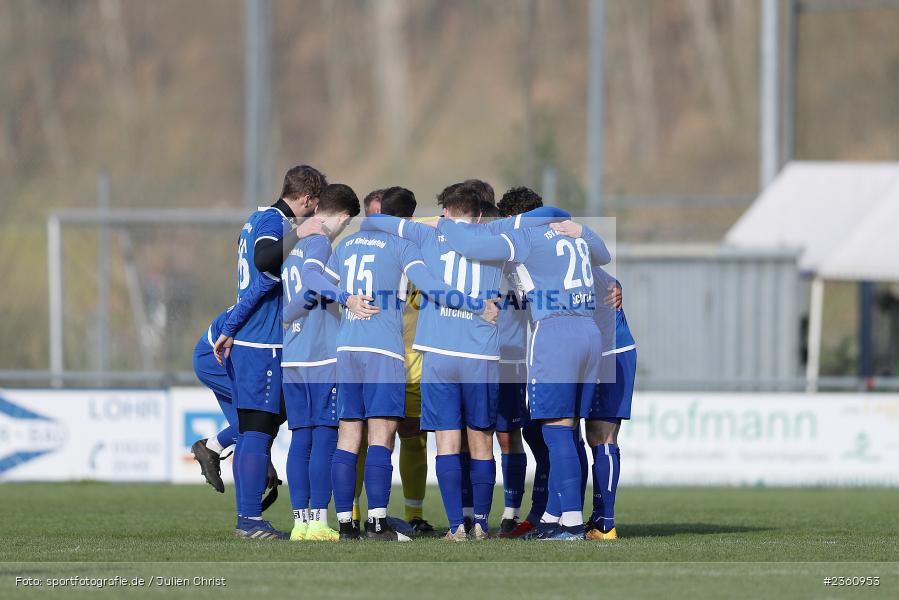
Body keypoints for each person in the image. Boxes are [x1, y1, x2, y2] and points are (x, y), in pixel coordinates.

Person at [361, 184, 570, 539]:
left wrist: (428, 224)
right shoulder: (496, 232)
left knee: (446, 442)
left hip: (439, 354)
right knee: (481, 440)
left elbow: (374, 222)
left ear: (446, 211)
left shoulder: (428, 233)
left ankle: (457, 525)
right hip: (481, 356)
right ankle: (481, 525)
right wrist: (571, 225)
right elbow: (551, 214)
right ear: (478, 212)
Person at [322, 186, 498, 542]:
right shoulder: (407, 245)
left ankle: (345, 525)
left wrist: (344, 299)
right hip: (388, 354)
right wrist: (479, 306)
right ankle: (380, 525)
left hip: (347, 349)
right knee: (384, 439)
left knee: (348, 438)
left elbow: (315, 285)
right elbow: (433, 286)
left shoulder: (345, 244)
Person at [435, 214, 611, 540]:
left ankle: (570, 525)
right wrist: (582, 228)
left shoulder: (527, 239)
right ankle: (559, 517)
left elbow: (471, 245)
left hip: (556, 333)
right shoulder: (572, 236)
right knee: (570, 431)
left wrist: (444, 224)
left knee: (556, 434)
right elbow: (604, 255)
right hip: (589, 332)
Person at [214, 164, 327, 540]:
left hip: (254, 338)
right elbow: (265, 263)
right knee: (258, 431)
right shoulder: (275, 222)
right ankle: (248, 520)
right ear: (307, 199)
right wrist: (301, 232)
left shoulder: (258, 217)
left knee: (257, 427)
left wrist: (231, 327)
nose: (314, 215)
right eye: (314, 207)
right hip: (263, 342)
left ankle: (248, 516)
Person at [281, 183, 364, 542]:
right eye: (347, 224)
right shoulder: (318, 242)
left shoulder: (291, 240)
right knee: (324, 437)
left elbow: (288, 301)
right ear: (343, 217)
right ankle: (317, 521)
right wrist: (345, 297)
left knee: (301, 439)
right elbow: (313, 279)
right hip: (320, 356)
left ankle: (300, 523)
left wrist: (288, 315)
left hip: (292, 354)